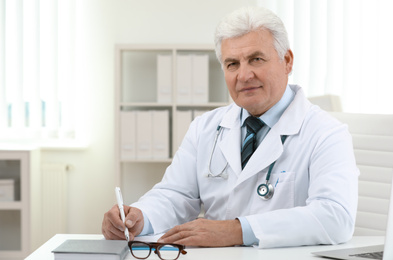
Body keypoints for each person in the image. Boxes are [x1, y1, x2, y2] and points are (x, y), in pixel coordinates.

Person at [102, 6, 359, 248]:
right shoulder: (206, 127)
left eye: (256, 59)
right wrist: (139, 217)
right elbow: (176, 196)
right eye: (232, 64)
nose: (244, 75)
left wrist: (236, 230)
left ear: (287, 61)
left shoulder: (326, 133)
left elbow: (335, 217)